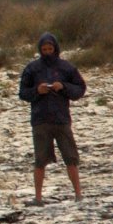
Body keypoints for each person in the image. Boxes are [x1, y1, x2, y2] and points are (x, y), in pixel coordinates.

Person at [18, 32, 86, 205]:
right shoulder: (32, 68)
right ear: (40, 50)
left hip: (61, 120)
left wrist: (63, 86)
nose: (47, 52)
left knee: (71, 158)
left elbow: (80, 89)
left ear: (55, 48)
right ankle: (38, 198)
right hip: (40, 120)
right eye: (44, 49)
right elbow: (23, 93)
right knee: (40, 160)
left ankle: (78, 195)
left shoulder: (67, 67)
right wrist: (37, 91)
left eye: (50, 48)